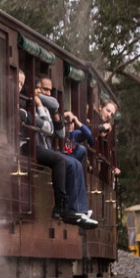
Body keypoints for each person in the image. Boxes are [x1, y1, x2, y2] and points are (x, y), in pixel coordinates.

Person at [37, 75, 95, 227]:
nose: (48, 94)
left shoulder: (74, 134)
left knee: (80, 152)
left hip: (53, 149)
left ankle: (80, 209)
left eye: (50, 90)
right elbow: (53, 108)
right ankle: (72, 207)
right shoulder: (38, 105)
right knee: (70, 162)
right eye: (45, 90)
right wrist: (48, 105)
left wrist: (72, 121)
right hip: (43, 149)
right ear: (37, 89)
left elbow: (87, 138)